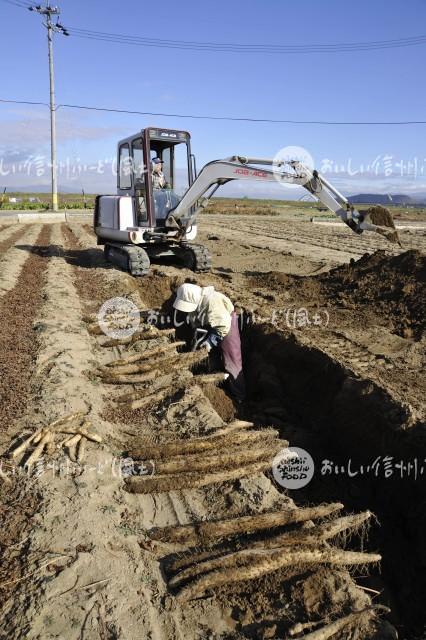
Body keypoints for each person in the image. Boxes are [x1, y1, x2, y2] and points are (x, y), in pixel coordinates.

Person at [173, 283, 246, 402]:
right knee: (213, 355)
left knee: (231, 361)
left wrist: (210, 341)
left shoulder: (213, 302)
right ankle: (216, 379)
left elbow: (223, 326)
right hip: (212, 323)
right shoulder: (195, 302)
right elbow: (194, 320)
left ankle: (239, 396)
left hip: (226, 324)